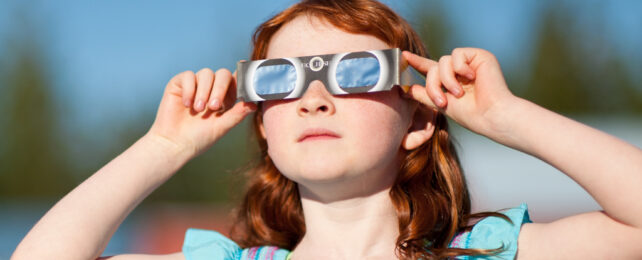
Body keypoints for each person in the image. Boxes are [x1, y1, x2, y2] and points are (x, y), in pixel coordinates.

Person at [11, 0, 642, 259]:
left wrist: (509, 117)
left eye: (356, 72)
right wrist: (163, 148)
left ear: (418, 120)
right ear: (264, 125)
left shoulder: (487, 253)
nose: (314, 97)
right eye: (280, 80)